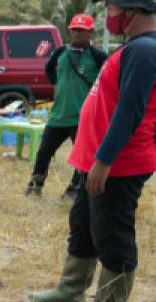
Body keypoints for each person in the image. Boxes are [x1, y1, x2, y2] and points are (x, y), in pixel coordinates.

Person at [23, 0, 156, 302]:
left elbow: (130, 111)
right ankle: (71, 289)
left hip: (119, 162)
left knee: (113, 234)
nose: (109, 15)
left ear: (133, 11)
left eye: (112, 8)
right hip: (97, 158)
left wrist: (103, 161)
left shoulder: (146, 49)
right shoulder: (137, 45)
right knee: (85, 225)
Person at [25, 14, 108, 198]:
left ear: (90, 32)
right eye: (74, 30)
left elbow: (107, 82)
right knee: (44, 152)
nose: (77, 34)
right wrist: (57, 85)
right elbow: (49, 69)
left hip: (82, 118)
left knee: (81, 158)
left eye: (82, 30)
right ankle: (34, 186)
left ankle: (73, 191)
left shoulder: (98, 56)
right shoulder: (60, 52)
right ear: (70, 31)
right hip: (58, 116)